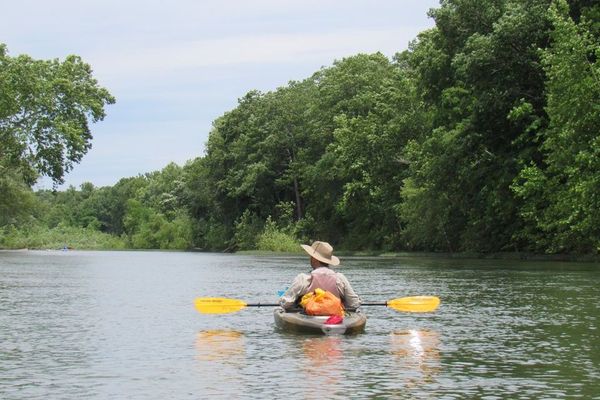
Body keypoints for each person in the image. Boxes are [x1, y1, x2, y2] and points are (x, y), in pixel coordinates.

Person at [279, 241, 361, 310]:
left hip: (308, 317)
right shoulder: (340, 278)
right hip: (334, 316)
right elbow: (354, 304)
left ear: (314, 258)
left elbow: (287, 303)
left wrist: (281, 302)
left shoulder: (304, 279)